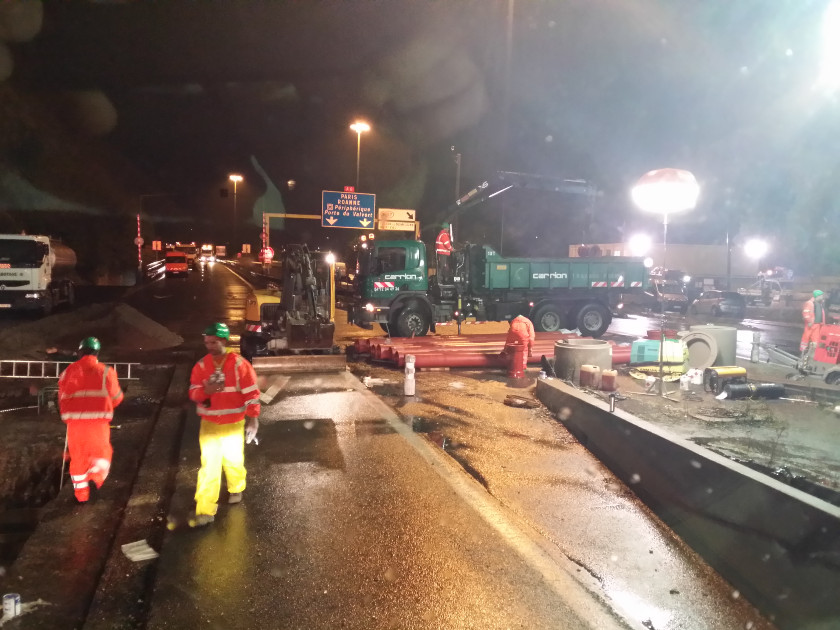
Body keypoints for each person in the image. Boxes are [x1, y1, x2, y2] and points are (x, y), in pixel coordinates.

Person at [188, 322, 261, 527]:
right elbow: (193, 392)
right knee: (208, 468)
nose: (208, 346)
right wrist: (206, 392)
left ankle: (236, 487)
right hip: (209, 424)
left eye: (212, 342)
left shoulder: (239, 365)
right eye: (206, 342)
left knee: (234, 460)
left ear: (223, 341)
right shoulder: (201, 366)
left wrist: (253, 419)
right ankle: (205, 509)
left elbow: (251, 394)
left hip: (233, 424)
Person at [58, 337, 124, 504]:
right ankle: (95, 478)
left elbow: (62, 398)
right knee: (101, 454)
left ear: (80, 352)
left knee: (78, 459)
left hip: (75, 426)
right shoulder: (107, 372)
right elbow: (117, 397)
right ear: (97, 353)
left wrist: (67, 416)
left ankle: (81, 495)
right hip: (98, 424)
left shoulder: (68, 372)